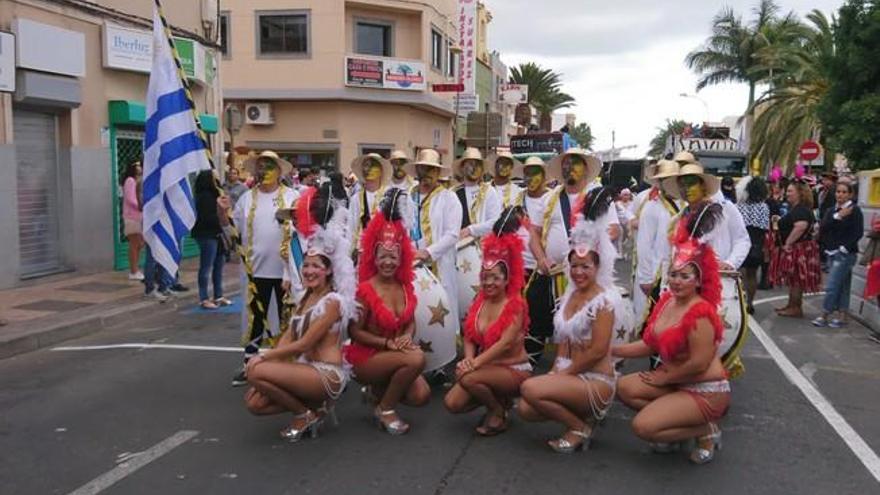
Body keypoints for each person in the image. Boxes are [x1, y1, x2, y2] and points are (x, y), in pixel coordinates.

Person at [614, 203, 730, 464]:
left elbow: (699, 364)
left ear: (699, 280)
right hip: (677, 382)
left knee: (643, 427)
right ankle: (673, 426)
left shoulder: (701, 312)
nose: (676, 281)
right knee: (624, 387)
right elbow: (649, 344)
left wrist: (664, 378)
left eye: (685, 276)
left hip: (704, 389)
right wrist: (612, 350)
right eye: (673, 274)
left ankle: (707, 429)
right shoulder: (667, 301)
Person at [244, 178, 356, 442]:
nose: (309, 271)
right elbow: (289, 338)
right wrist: (270, 360)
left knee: (257, 370)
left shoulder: (333, 302)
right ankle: (313, 409)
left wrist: (264, 358)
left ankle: (304, 413)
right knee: (254, 403)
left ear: (329, 270)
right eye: (306, 266)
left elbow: (303, 343)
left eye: (317, 266)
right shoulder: (305, 298)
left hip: (327, 374)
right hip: (306, 370)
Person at [518, 201, 620, 453]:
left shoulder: (604, 301)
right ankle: (582, 417)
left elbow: (597, 351)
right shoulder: (569, 296)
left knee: (530, 388)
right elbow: (564, 341)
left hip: (595, 379)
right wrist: (555, 372)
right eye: (574, 266)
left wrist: (564, 375)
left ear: (598, 267)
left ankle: (578, 427)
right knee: (526, 408)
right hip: (571, 372)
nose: (578, 272)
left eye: (586, 266)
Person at [345, 189, 430, 435]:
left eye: (393, 256)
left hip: (393, 354)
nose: (388, 262)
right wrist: (387, 343)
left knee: (421, 396)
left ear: (401, 257)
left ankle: (377, 392)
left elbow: (410, 322)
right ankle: (385, 408)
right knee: (416, 359)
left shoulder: (405, 286)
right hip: (365, 357)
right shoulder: (365, 290)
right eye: (383, 256)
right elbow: (354, 332)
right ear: (374, 256)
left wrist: (406, 336)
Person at [444, 207, 531, 436]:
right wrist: (469, 358)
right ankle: (498, 399)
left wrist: (473, 365)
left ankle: (497, 411)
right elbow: (470, 334)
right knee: (453, 403)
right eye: (485, 277)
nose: (489, 282)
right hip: (485, 366)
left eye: (495, 277)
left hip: (513, 368)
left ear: (506, 279)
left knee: (469, 377)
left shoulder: (516, 304)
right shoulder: (479, 300)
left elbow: (504, 343)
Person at [232, 151, 300, 386]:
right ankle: (249, 363)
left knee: (285, 317)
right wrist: (223, 213)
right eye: (261, 167)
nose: (265, 171)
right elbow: (234, 230)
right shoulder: (245, 199)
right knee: (255, 317)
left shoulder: (293, 197)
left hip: (285, 273)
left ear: (280, 171)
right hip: (254, 271)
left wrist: (293, 270)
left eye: (270, 166)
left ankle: (284, 363)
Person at [516, 156, 567, 365]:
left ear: (545, 176)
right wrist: (542, 258)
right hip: (537, 267)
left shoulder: (587, 196)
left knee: (569, 314)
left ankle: (567, 358)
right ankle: (531, 354)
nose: (530, 178)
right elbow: (533, 234)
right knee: (534, 309)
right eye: (527, 173)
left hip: (573, 272)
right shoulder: (545, 200)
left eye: (535, 173)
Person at [406, 149, 463, 330]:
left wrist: (428, 252)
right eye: (423, 169)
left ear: (438, 172)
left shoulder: (448, 198)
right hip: (412, 263)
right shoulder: (408, 196)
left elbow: (453, 234)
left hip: (439, 264)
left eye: (431, 169)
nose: (427, 174)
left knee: (441, 308)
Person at [633, 160, 681, 325]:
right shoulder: (652, 207)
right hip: (658, 272)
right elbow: (644, 244)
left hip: (680, 270)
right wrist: (646, 278)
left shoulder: (685, 205)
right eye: (665, 180)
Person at [813, 182, 864, 328]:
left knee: (832, 284)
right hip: (831, 252)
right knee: (843, 285)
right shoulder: (831, 211)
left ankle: (824, 314)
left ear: (850, 194)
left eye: (843, 192)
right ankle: (842, 316)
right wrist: (837, 216)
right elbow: (824, 227)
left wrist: (844, 248)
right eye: (838, 192)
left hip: (845, 254)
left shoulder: (855, 211)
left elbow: (857, 232)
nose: (840, 195)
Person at [769, 181, 820, 318]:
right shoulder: (800, 209)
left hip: (798, 248)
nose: (787, 193)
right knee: (794, 279)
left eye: (791, 191)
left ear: (800, 193)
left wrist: (788, 243)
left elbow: (801, 226)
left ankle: (795, 307)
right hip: (800, 247)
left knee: (796, 279)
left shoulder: (800, 210)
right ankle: (792, 305)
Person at [548, 149, 620, 241]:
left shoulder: (599, 196)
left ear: (586, 170)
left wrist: (586, 247)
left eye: (576, 163)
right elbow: (536, 231)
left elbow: (614, 230)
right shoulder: (550, 198)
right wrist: (541, 256)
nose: (570, 167)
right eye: (566, 163)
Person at [192, 171, 232, 309]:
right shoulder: (204, 197)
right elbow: (207, 217)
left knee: (218, 265)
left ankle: (218, 295)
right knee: (206, 266)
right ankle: (204, 298)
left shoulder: (215, 196)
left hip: (216, 233)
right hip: (207, 234)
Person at [735, 177, 770, 314]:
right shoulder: (764, 207)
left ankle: (741, 300)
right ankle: (750, 302)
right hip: (757, 243)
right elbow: (765, 228)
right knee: (752, 274)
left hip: (742, 241)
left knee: (741, 273)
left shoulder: (739, 206)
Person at [453, 147, 503, 240]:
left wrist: (470, 230)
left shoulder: (489, 191)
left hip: (483, 249)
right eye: (471, 164)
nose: (474, 168)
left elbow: (495, 221)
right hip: (458, 248)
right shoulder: (454, 193)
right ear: (463, 167)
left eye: (478, 165)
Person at [348, 153, 391, 251]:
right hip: (363, 250)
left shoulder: (390, 196)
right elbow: (351, 229)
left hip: (385, 251)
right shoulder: (356, 199)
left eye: (373, 165)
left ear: (381, 170)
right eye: (366, 166)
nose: (368, 169)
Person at [121, 161, 144, 281]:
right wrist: (141, 205)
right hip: (132, 217)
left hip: (138, 216)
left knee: (139, 243)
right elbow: (131, 199)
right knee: (135, 244)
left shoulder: (137, 181)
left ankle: (135, 268)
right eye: (138, 165)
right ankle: (133, 271)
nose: (140, 167)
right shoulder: (130, 181)